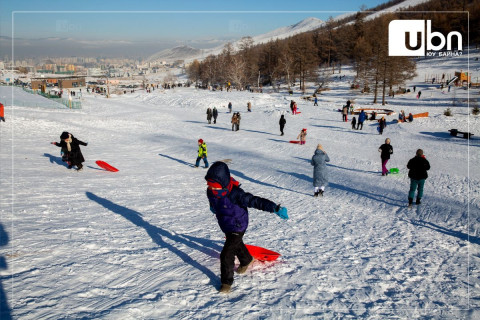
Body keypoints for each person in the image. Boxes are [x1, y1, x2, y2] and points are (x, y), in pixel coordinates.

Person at [205, 161, 288, 293]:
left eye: (215, 187)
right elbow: (212, 200)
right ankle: (247, 260)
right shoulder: (211, 192)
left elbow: (255, 201)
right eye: (210, 186)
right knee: (236, 244)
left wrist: (274, 208)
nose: (212, 190)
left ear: (224, 184)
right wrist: (213, 207)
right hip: (225, 223)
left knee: (227, 254)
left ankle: (226, 283)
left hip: (238, 224)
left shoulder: (235, 194)